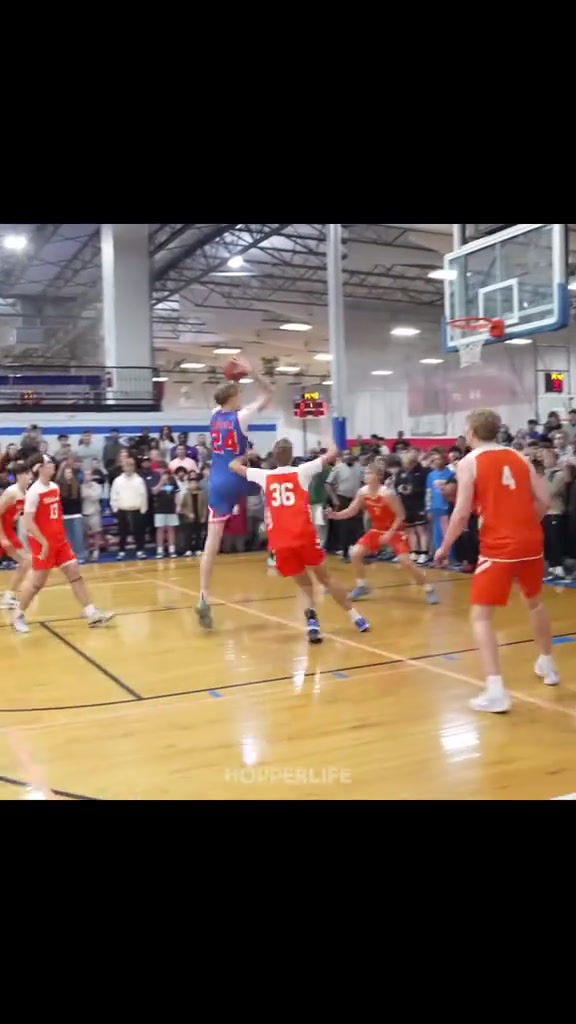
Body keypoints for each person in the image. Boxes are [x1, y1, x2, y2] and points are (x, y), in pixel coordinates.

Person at [434, 408, 558, 714]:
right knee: (535, 602)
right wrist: (526, 526)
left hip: (499, 546)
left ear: (472, 432)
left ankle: (495, 690)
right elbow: (545, 499)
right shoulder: (520, 457)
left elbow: (461, 513)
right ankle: (548, 664)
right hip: (530, 541)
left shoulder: (469, 462)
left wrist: (444, 547)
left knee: (481, 616)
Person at [230, 439, 370, 643]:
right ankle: (356, 617)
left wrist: (245, 455)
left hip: (280, 542)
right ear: (292, 455)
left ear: (274, 456)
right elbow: (332, 453)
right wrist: (328, 440)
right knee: (326, 579)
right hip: (304, 536)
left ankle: (312, 622)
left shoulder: (264, 475)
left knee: (305, 586)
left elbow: (233, 466)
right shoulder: (302, 471)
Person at [196, 357, 273, 628]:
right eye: (239, 394)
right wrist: (253, 373)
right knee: (272, 486)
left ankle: (203, 596)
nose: (242, 397)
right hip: (238, 474)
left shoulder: (213, 415)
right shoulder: (241, 416)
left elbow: (223, 397)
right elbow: (268, 393)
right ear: (232, 398)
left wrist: (232, 379)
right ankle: (269, 531)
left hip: (218, 479)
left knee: (212, 542)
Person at [12, 454, 113, 635]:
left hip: (59, 541)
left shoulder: (55, 487)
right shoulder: (34, 492)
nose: (53, 465)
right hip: (43, 544)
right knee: (36, 583)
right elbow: (28, 522)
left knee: (74, 573)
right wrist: (44, 543)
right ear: (39, 468)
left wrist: (60, 536)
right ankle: (18, 614)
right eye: (49, 462)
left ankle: (91, 612)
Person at [328, 464, 439, 604]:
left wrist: (390, 533)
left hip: (396, 530)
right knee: (355, 553)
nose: (366, 476)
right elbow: (351, 510)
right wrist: (336, 515)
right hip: (377, 530)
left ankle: (428, 588)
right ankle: (362, 586)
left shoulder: (387, 494)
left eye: (370, 473)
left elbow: (401, 515)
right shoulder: (363, 492)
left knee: (405, 562)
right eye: (365, 473)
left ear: (379, 476)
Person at [0, 460, 32, 609]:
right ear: (19, 476)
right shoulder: (11, 492)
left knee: (26, 561)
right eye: (28, 474)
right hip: (3, 531)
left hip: (9, 531)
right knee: (26, 561)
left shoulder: (26, 493)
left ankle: (9, 595)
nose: (31, 477)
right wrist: (2, 537)